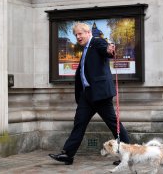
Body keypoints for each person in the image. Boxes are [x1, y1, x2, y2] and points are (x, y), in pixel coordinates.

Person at [49, 22, 130, 165]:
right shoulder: (85, 49)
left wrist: (110, 50)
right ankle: (68, 154)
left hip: (100, 95)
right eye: (76, 35)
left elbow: (106, 49)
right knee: (79, 124)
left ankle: (127, 155)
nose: (78, 37)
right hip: (87, 96)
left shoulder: (97, 42)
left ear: (88, 33)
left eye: (80, 34)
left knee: (114, 124)